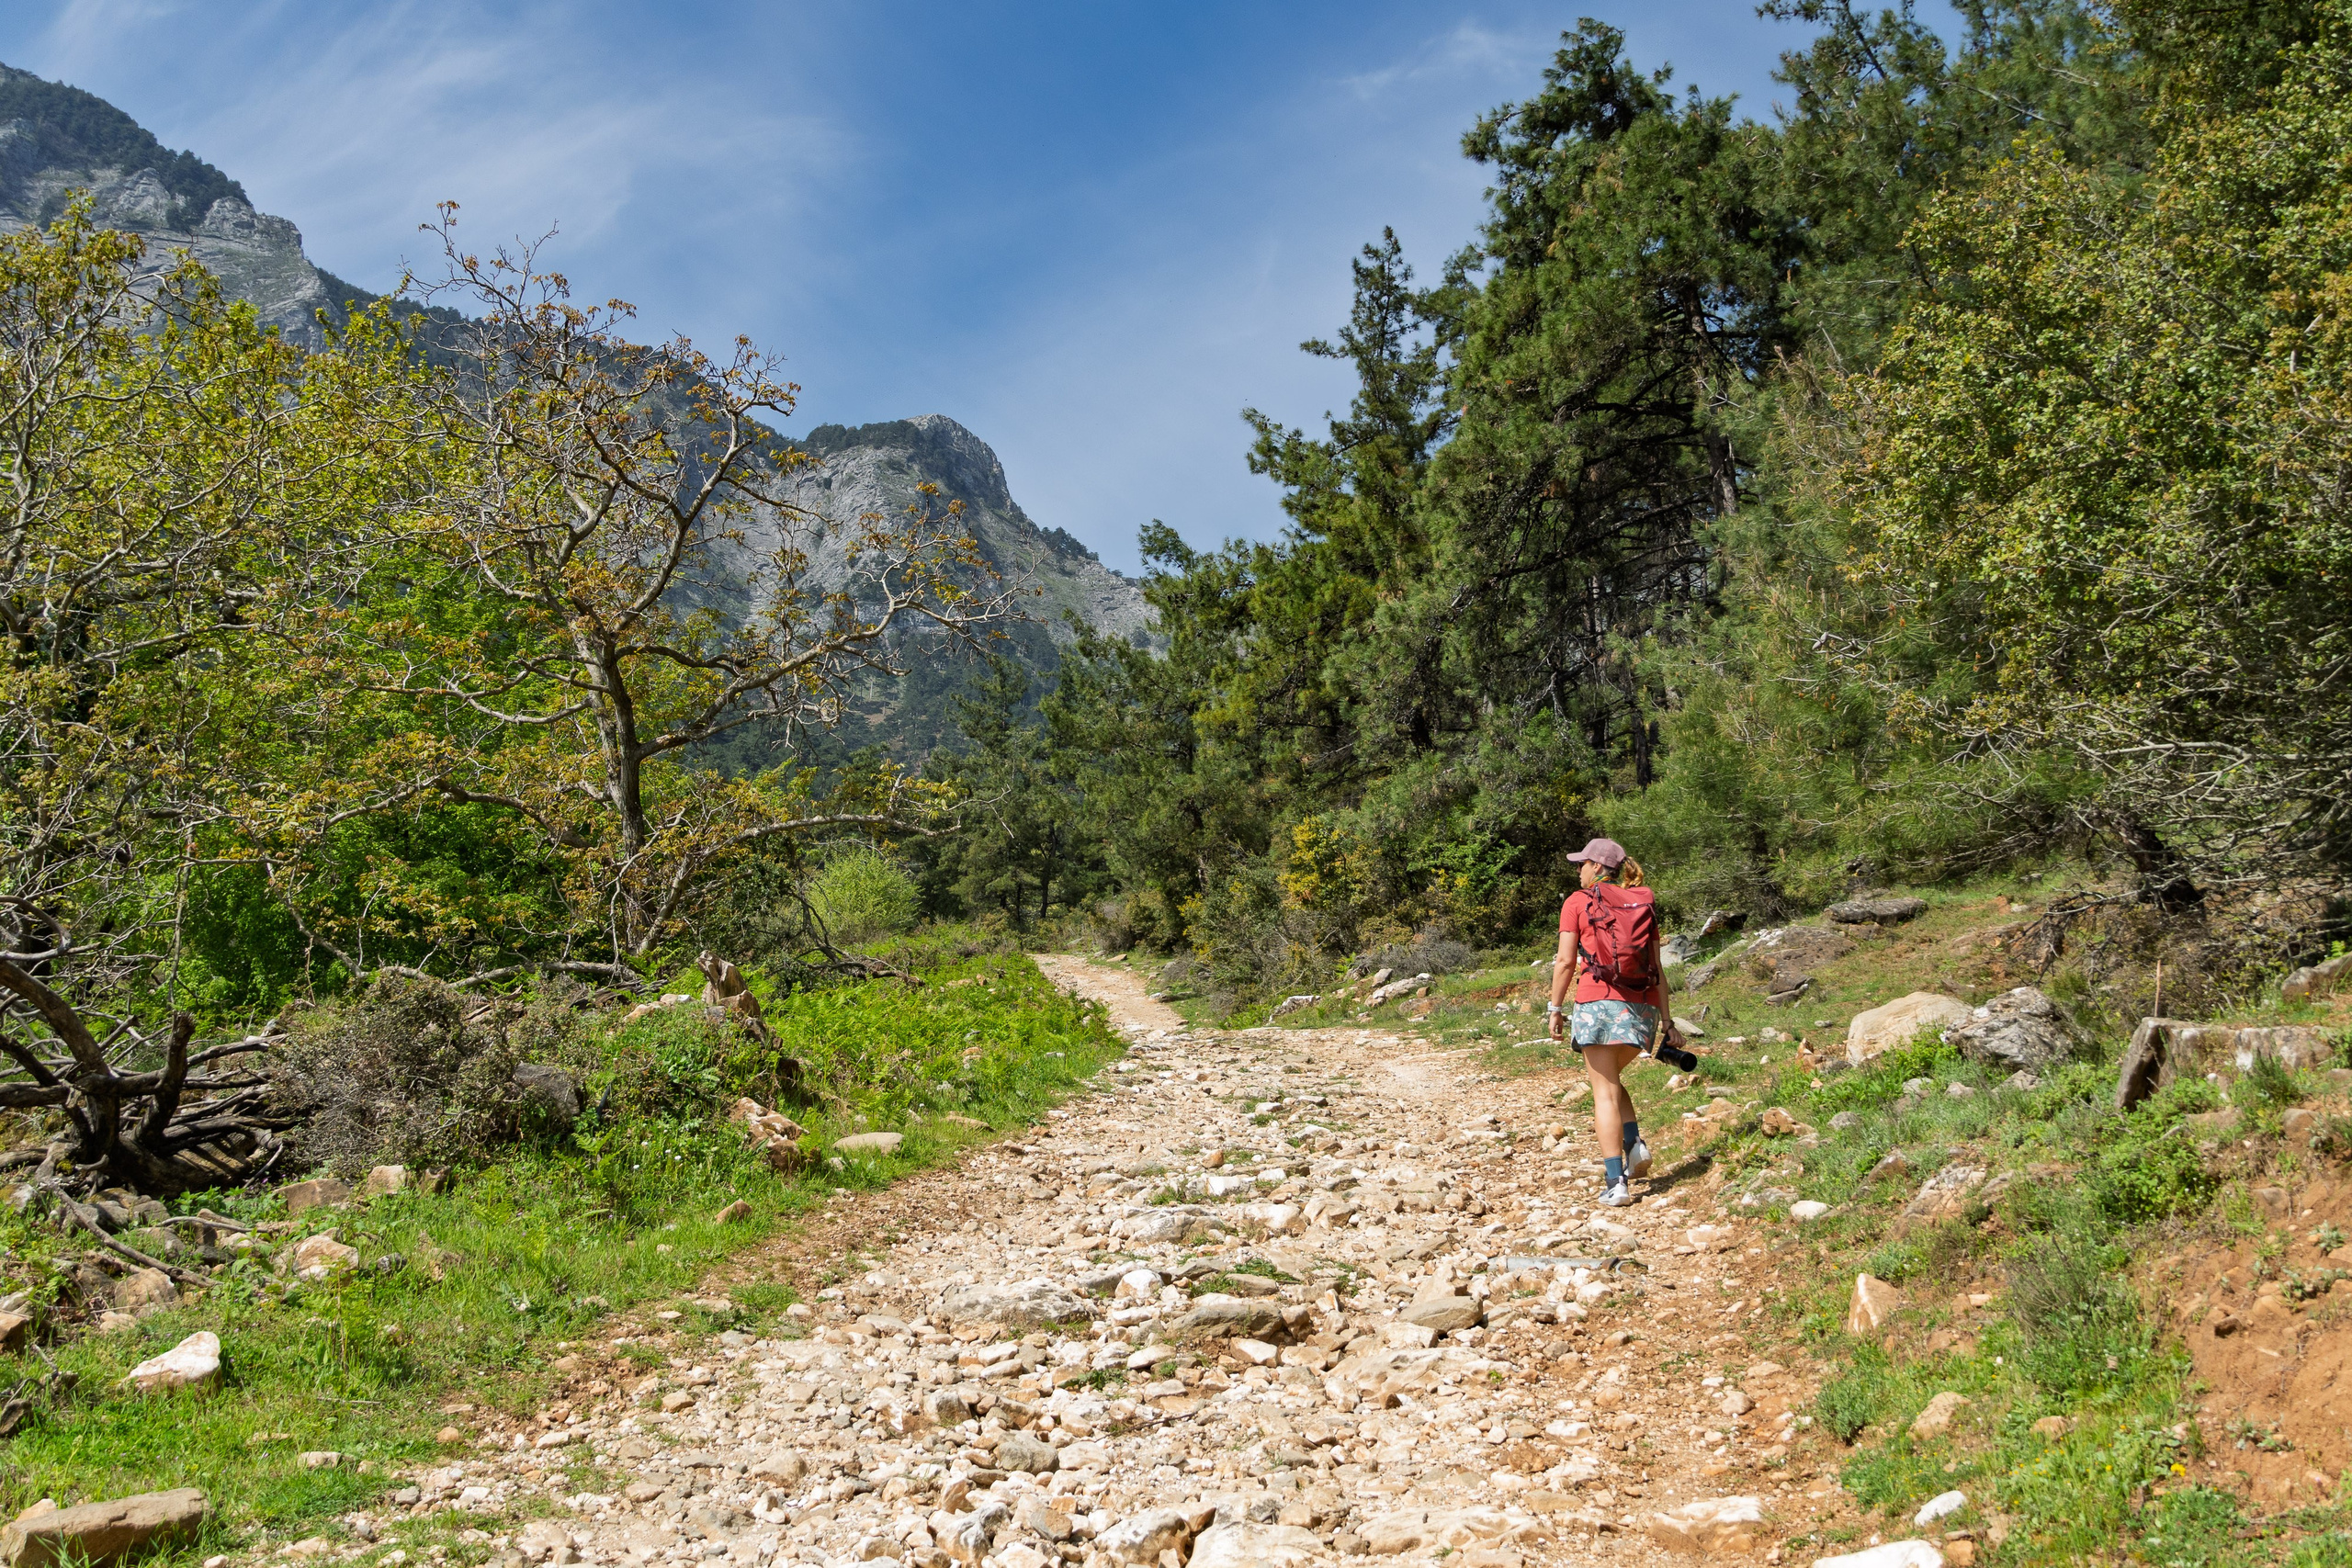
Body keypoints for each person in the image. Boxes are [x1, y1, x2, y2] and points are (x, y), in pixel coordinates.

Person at [1545, 837, 1681, 1207]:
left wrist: (1554, 1009)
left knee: (1603, 1093)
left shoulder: (1577, 902)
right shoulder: (1641, 904)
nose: (1577, 870)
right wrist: (1668, 1021)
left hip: (1596, 1004)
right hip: (1641, 1010)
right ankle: (1634, 1143)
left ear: (1596, 867)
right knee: (1611, 1080)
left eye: (1581, 864)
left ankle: (1615, 1181)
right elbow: (1658, 969)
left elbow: (1564, 962)